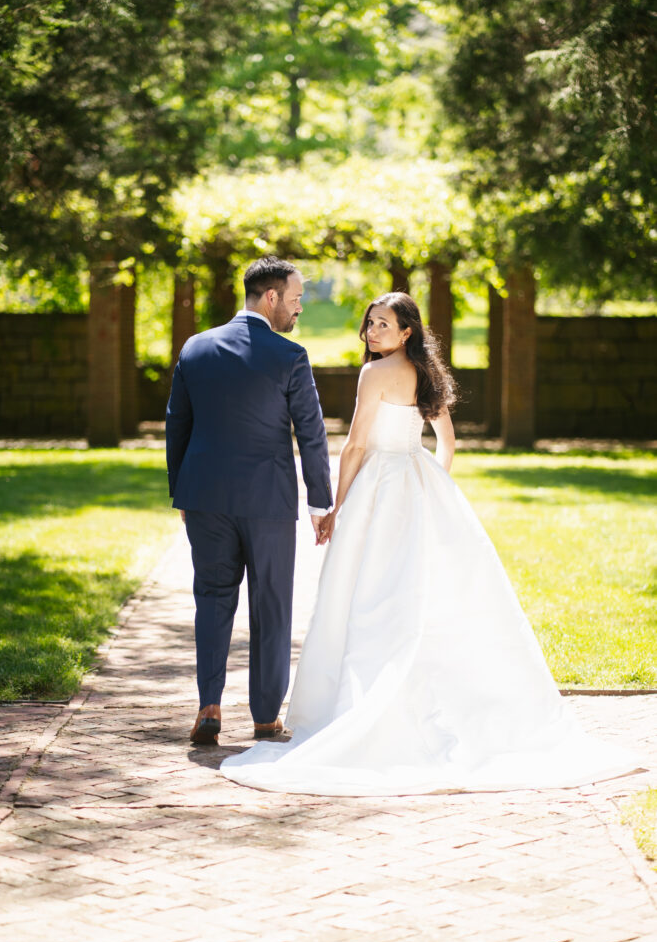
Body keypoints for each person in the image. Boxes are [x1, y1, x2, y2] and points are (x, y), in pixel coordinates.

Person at [220, 292, 641, 795]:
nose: (372, 331)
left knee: (368, 594)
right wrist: (434, 483)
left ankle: (364, 701)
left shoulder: (373, 375)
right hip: (416, 482)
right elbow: (447, 440)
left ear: (406, 333)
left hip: (378, 485)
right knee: (423, 592)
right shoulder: (426, 374)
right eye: (370, 323)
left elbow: (355, 444)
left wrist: (337, 506)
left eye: (383, 324)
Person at [166, 256, 332, 746]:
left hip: (206, 498)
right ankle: (264, 717)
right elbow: (312, 435)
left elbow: (178, 424)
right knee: (272, 604)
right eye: (297, 298)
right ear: (272, 297)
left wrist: (182, 490)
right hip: (268, 501)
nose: (300, 308)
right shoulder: (289, 356)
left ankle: (209, 706)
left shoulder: (196, 348)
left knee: (213, 599)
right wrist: (320, 503)